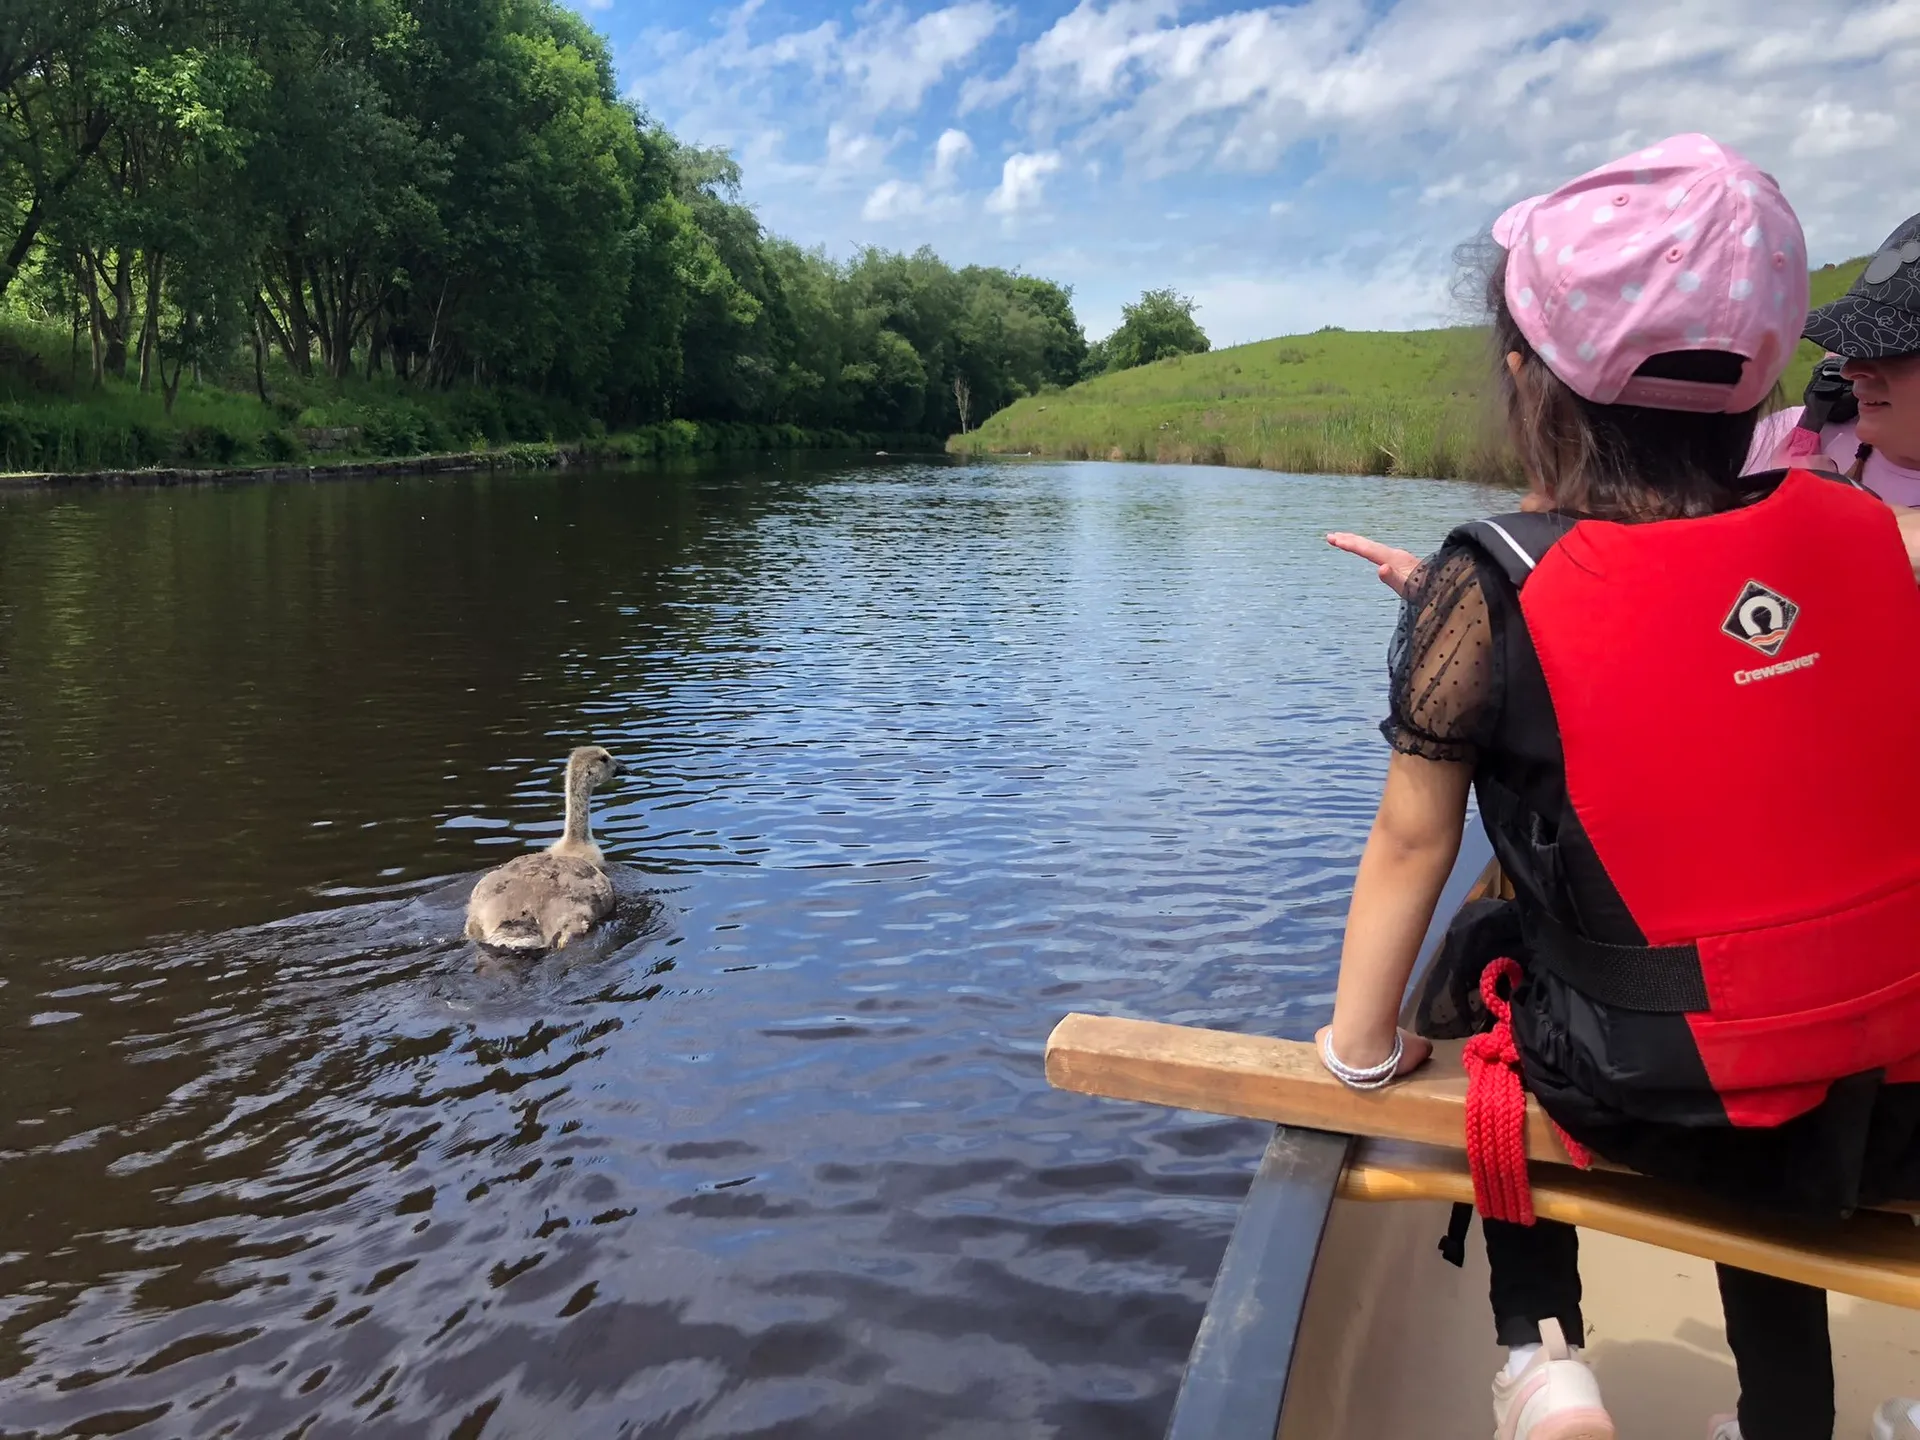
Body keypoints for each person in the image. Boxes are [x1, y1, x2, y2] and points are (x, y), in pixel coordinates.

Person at [1316, 135, 1920, 1440]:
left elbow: (1410, 844)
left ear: (1534, 381)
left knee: (1490, 938)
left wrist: (1360, 1056)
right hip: (1885, 1100)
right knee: (1778, 1038)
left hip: (1641, 1093)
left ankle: (1542, 1353)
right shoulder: (1866, 534)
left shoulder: (1487, 584)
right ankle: (1788, 1424)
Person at [1329, 212, 1920, 587]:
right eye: (1856, 344)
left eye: (1896, 352)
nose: (1857, 368)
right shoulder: (1787, 436)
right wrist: (1478, 603)